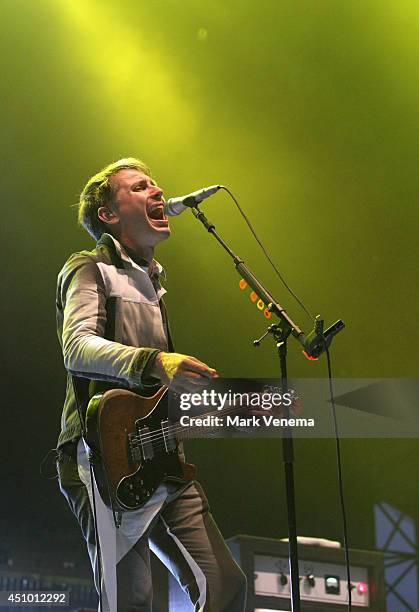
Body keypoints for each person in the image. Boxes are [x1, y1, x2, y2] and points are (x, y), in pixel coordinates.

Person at [55, 158, 247, 612]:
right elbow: (77, 348)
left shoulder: (153, 282)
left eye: (156, 184)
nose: (158, 191)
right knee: (132, 601)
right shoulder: (89, 267)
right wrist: (156, 362)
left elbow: (152, 385)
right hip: (102, 456)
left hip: (160, 455)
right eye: (141, 187)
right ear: (109, 214)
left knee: (225, 585)